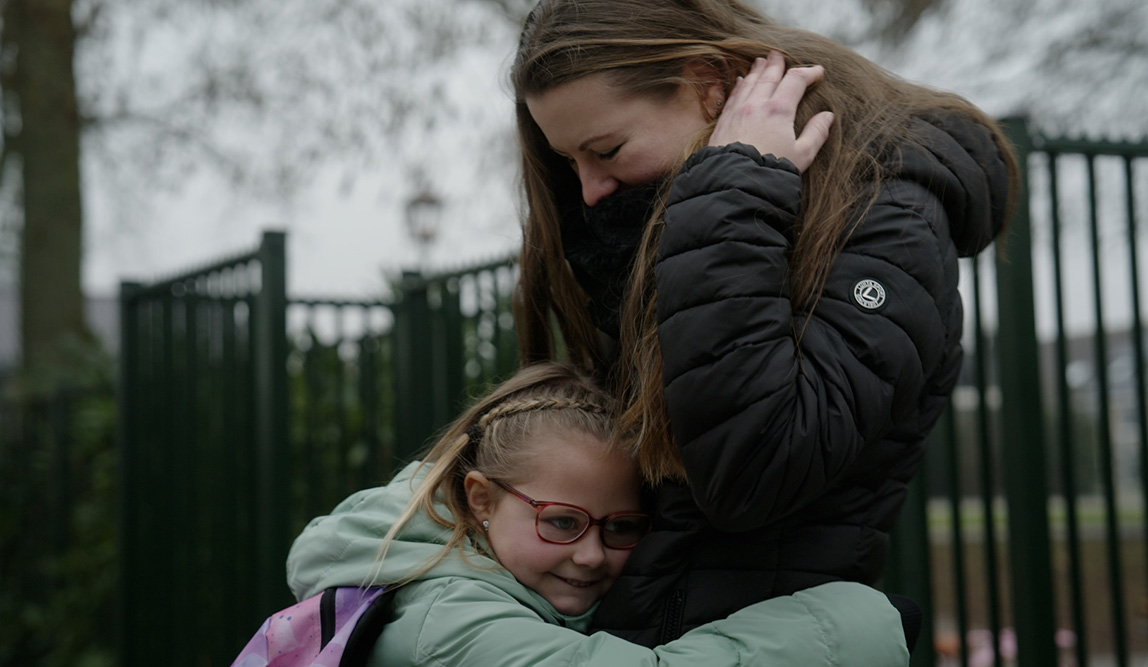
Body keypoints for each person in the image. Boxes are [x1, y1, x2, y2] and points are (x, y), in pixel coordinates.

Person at [511, 0, 1018, 646]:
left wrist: (736, 190)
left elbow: (753, 468)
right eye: (568, 164)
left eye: (605, 150)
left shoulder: (889, 218)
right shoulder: (656, 221)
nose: (588, 191)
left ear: (709, 83)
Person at [286, 362, 910, 665]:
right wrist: (856, 620)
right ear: (481, 499)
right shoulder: (447, 621)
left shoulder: (443, 571)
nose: (590, 556)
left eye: (621, 528)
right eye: (561, 521)